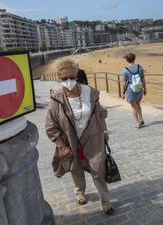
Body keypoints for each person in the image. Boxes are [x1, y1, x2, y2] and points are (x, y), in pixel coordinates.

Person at [45, 58, 114, 215]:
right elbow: (51, 126)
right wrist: (62, 146)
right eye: (64, 78)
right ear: (59, 77)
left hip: (93, 137)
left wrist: (104, 131)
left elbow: (100, 113)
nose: (68, 81)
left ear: (76, 75)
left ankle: (105, 200)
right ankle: (80, 192)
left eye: (71, 77)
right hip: (71, 139)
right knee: (76, 167)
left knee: (98, 168)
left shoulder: (89, 92)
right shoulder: (57, 98)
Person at [121, 53, 147, 128]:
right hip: (139, 88)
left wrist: (123, 92)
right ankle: (141, 119)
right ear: (134, 59)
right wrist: (145, 89)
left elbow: (124, 83)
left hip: (131, 89)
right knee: (138, 104)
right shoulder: (140, 67)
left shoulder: (125, 70)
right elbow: (143, 79)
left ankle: (137, 123)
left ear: (126, 60)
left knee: (133, 106)